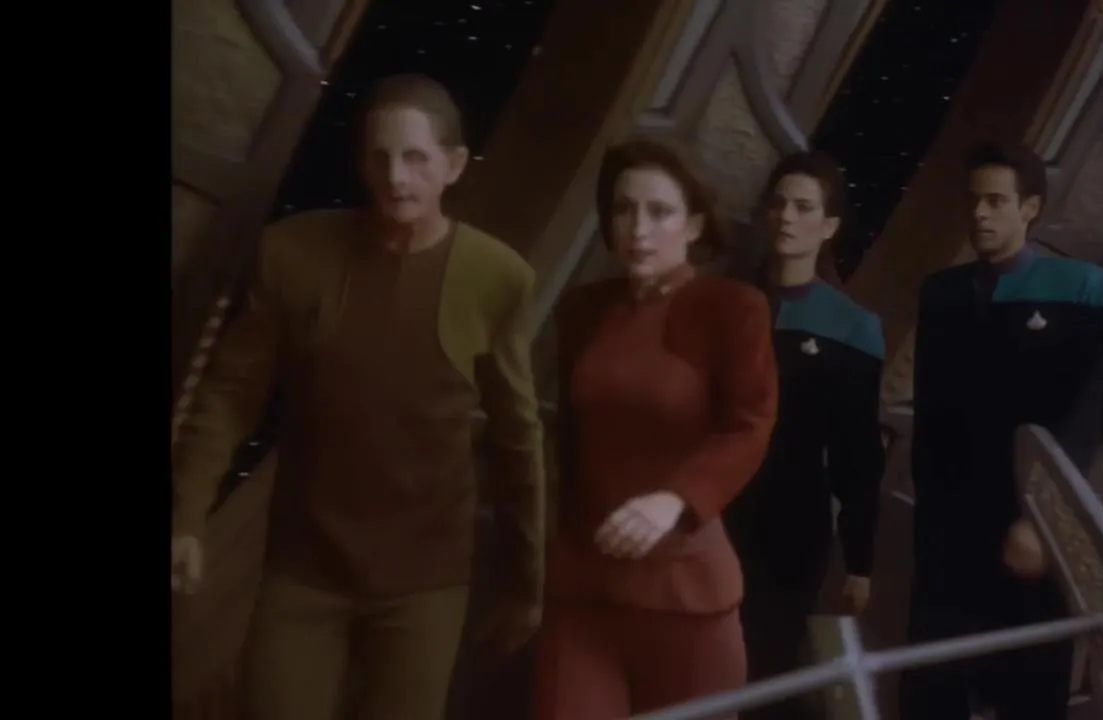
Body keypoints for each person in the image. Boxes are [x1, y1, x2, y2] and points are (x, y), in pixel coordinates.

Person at [169, 73, 545, 720]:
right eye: (380, 157)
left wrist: (526, 581)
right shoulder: (294, 253)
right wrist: (186, 517)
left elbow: (517, 437)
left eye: (416, 158)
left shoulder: (496, 277)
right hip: (306, 566)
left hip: (426, 577)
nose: (396, 177)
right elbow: (230, 395)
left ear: (454, 165)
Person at [535, 137, 778, 720]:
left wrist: (674, 498)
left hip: (686, 592)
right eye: (623, 209)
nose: (638, 229)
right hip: (584, 587)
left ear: (694, 225)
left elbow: (749, 426)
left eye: (660, 211)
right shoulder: (583, 311)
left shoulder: (731, 309)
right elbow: (568, 440)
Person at [900, 141, 1103, 720]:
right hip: (950, 535)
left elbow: (1090, 414)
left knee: (1029, 691)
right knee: (929, 691)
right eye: (973, 200)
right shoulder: (941, 292)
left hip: (1034, 529)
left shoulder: (1082, 289)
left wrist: (1041, 518)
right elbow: (933, 415)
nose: (980, 214)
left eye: (996, 201)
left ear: (1030, 208)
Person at [724, 151, 886, 720]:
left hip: (790, 526)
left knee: (762, 672)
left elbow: (856, 451)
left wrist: (860, 560)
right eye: (779, 204)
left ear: (830, 225)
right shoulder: (723, 302)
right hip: (711, 507)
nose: (787, 217)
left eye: (803, 207)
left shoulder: (853, 326)